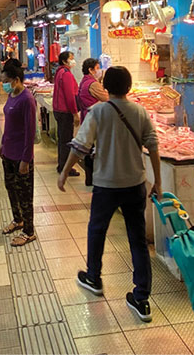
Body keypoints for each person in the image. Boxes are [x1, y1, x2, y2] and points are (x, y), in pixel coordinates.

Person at [58, 66, 161, 323]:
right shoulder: (139, 111)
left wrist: (64, 172)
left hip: (106, 185)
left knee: (97, 231)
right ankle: (142, 297)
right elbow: (153, 145)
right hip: (135, 184)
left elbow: (81, 146)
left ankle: (94, 277)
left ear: (106, 87)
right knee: (137, 240)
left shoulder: (98, 112)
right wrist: (157, 181)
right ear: (129, 86)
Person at [0, 63, 38, 246]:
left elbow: (30, 132)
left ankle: (29, 231)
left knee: (25, 194)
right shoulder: (11, 94)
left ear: (16, 80)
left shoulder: (27, 99)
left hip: (20, 156)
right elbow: (8, 123)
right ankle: (18, 220)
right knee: (11, 189)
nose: (3, 85)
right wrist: (2, 143)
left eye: (6, 81)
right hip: (8, 152)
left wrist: (26, 159)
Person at [78, 58, 110, 187]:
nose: (99, 70)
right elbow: (106, 98)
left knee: (88, 149)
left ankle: (89, 179)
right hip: (94, 119)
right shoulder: (93, 84)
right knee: (93, 150)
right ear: (90, 70)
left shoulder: (84, 81)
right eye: (97, 68)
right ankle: (95, 179)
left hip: (87, 118)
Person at [53, 50, 80, 176]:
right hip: (65, 112)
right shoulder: (67, 74)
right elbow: (70, 96)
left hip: (58, 110)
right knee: (66, 141)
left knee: (62, 140)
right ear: (64, 61)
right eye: (71, 58)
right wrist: (75, 113)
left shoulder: (60, 72)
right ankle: (65, 168)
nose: (73, 60)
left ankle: (62, 165)